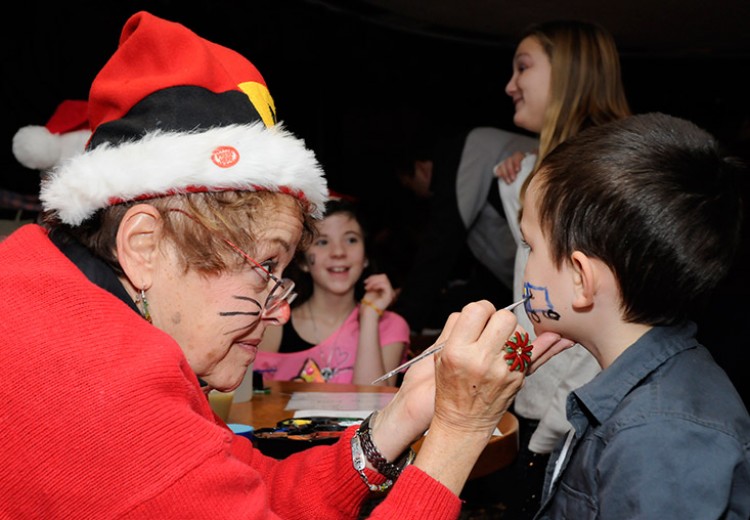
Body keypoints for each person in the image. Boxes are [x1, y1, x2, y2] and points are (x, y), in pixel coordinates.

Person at [0, 11, 573, 519]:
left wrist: (410, 410)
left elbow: (250, 485)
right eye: (263, 269)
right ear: (146, 245)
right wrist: (460, 430)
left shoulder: (67, 293)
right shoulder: (107, 398)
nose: (279, 308)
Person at [522, 112, 750, 519]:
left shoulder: (660, 436)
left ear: (581, 279)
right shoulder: (644, 401)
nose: (524, 266)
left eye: (530, 247)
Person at [492, 20, 632, 517]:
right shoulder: (545, 167)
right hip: (543, 400)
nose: (510, 85)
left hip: (574, 414)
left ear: (571, 73)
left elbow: (607, 308)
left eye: (524, 67)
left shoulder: (605, 174)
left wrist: (550, 426)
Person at [389, 126, 537, 334]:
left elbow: (440, 244)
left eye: (410, 185)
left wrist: (403, 321)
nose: (416, 195)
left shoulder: (465, 157)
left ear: (421, 169)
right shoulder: (471, 199)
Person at [256, 196, 409, 385]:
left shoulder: (389, 326)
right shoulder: (274, 323)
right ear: (303, 261)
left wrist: (369, 316)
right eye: (322, 242)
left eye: (351, 240)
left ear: (366, 257)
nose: (338, 252)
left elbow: (372, 404)